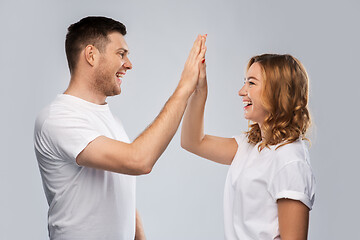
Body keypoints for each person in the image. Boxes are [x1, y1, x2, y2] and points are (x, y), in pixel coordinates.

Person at [34, 16, 206, 240]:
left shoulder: (112, 121)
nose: (129, 64)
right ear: (91, 55)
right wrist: (185, 86)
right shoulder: (58, 118)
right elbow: (138, 160)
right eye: (121, 54)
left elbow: (120, 196)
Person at [181, 53, 315, 239]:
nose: (242, 91)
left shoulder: (289, 161)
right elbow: (191, 141)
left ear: (277, 91)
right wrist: (199, 89)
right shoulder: (250, 146)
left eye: (251, 83)